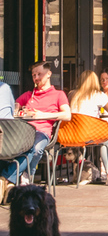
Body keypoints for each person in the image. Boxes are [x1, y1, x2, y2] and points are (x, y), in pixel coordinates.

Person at [0, 61, 71, 198]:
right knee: (14, 147)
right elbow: (16, 104)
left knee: (35, 148)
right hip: (25, 131)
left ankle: (15, 177)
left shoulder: (58, 95)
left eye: (39, 74)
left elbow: (67, 115)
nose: (36, 78)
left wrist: (43, 115)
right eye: (34, 75)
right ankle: (17, 179)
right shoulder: (29, 95)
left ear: (49, 74)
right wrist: (18, 110)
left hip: (43, 132)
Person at [70, 71, 108, 184]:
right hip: (90, 134)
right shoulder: (98, 94)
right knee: (107, 136)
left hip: (72, 135)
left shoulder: (72, 94)